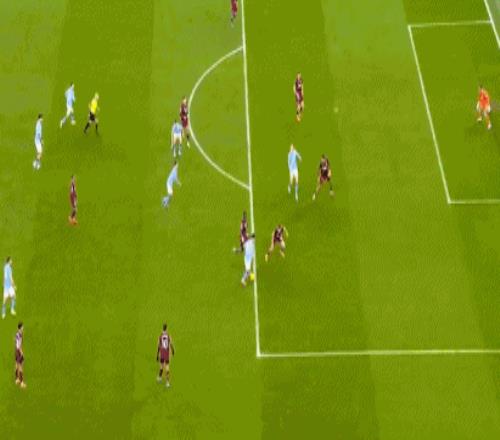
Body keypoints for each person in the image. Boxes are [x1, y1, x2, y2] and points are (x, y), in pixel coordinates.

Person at [157, 323, 175, 387]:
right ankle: (167, 383)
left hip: (162, 352)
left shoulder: (160, 336)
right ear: (166, 328)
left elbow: (159, 345)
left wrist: (157, 354)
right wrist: (173, 351)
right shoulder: (168, 335)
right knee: (167, 367)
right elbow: (171, 344)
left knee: (161, 366)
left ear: (162, 328)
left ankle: (159, 378)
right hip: (166, 353)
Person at [15, 322, 26, 388]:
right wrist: (22, 353)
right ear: (20, 328)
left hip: (16, 351)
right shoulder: (19, 335)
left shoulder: (17, 334)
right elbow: (18, 346)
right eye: (22, 327)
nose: (23, 328)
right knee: (20, 366)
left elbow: (17, 345)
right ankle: (22, 383)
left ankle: (17, 379)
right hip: (18, 351)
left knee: (16, 365)